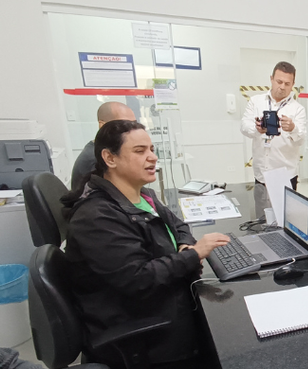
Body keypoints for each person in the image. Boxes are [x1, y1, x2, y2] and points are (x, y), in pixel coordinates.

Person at [62, 120, 230, 368]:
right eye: (140, 151)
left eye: (152, 150)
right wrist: (193, 256)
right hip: (145, 330)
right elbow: (137, 279)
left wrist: (185, 246)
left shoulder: (142, 195)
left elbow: (179, 226)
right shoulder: (97, 217)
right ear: (110, 158)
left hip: (160, 302)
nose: (152, 158)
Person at [241, 61, 307, 190]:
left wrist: (293, 129)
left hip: (286, 174)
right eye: (279, 81)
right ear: (271, 79)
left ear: (293, 84)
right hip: (261, 174)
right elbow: (244, 127)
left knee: (286, 211)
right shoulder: (256, 102)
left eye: (287, 84)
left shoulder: (298, 109)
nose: (282, 87)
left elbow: (302, 139)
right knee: (261, 210)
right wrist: (257, 129)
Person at [71, 101, 135, 191]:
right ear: (103, 126)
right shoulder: (96, 159)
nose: (133, 131)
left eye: (134, 124)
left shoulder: (100, 149)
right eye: (124, 125)